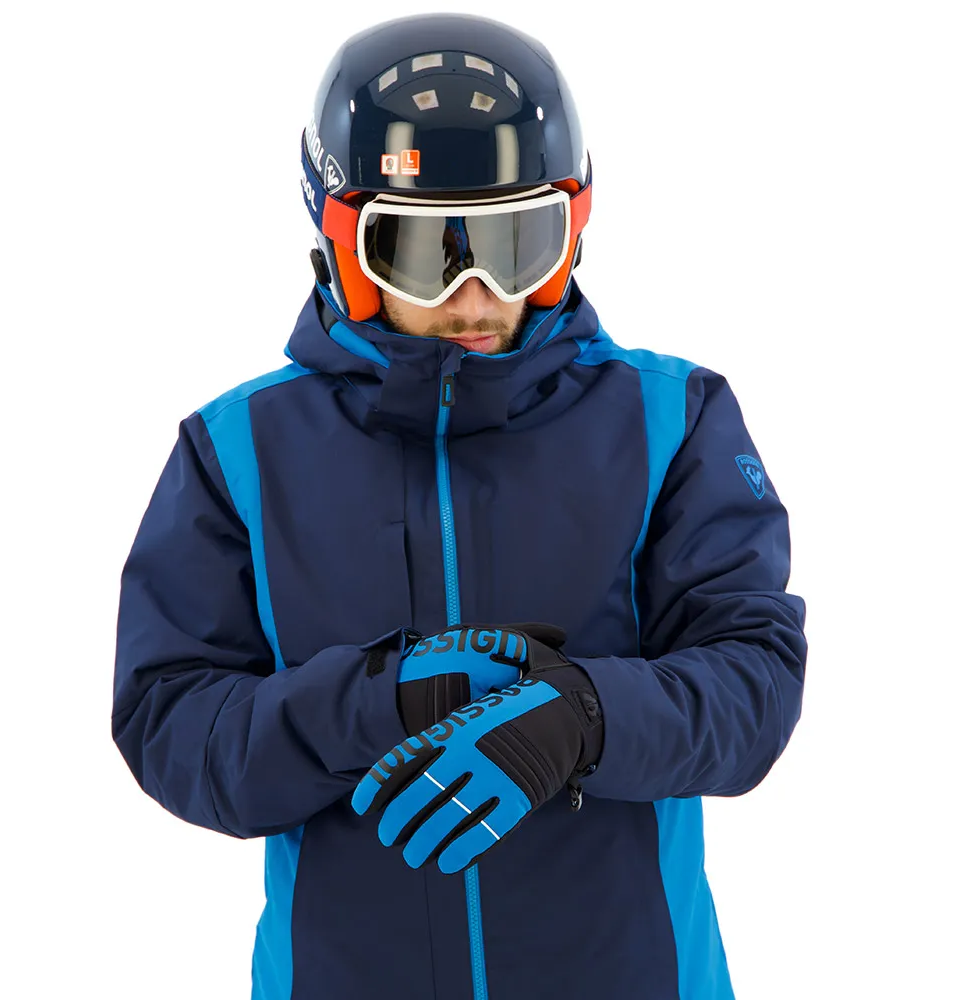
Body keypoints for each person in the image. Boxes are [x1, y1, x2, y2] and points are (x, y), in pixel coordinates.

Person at [112, 12, 807, 1000]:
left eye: (516, 243)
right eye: (425, 251)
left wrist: (582, 717)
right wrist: (378, 703)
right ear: (341, 240)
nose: (477, 297)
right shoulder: (239, 452)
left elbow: (754, 683)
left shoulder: (670, 420)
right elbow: (172, 724)